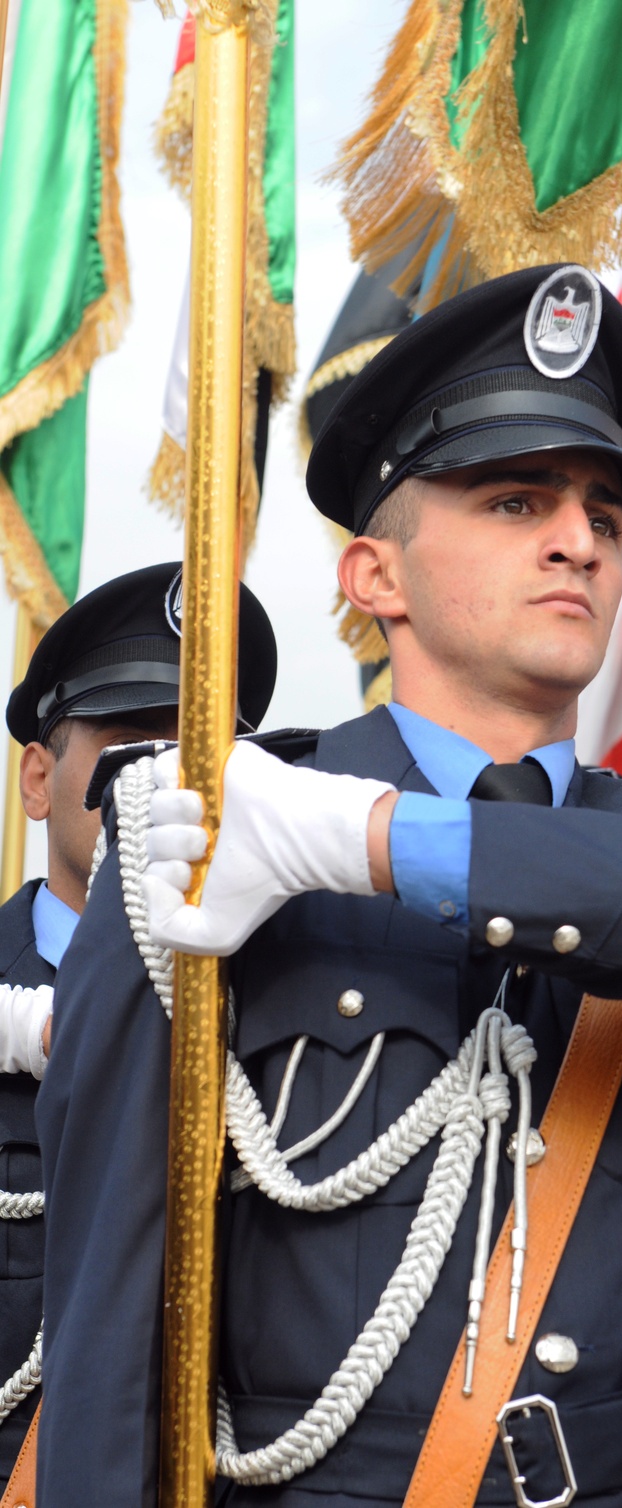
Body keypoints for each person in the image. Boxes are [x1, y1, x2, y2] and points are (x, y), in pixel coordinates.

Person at [37, 266, 622, 1508]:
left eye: (602, 510)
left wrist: (375, 841)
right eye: (515, 497)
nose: (578, 536)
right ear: (374, 576)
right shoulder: (212, 843)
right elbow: (109, 1310)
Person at [0, 562, 277, 1488]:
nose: (168, 780)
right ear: (39, 779)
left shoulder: (294, 1002)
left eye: (199, 749)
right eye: (129, 746)